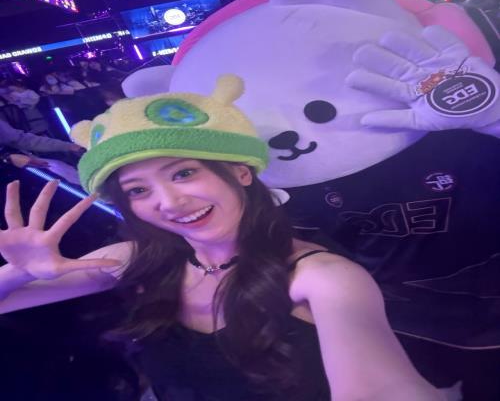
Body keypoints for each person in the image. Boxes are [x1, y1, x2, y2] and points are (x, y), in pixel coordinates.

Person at [0, 75, 444, 401]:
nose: (169, 202)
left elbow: (384, 390)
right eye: (138, 190)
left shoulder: (322, 278)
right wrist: (19, 272)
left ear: (240, 171)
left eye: (183, 173)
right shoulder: (138, 257)